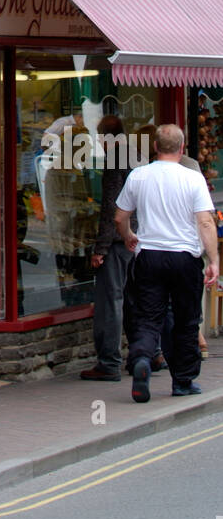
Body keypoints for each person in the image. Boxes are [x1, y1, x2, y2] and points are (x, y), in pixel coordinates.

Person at [115, 124, 219, 403]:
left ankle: (142, 360)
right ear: (182, 148)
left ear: (156, 147)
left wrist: (129, 237)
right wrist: (214, 260)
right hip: (185, 257)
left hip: (149, 255)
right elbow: (206, 221)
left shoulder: (139, 176)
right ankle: (183, 381)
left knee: (148, 317)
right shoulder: (192, 178)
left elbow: (119, 216)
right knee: (186, 320)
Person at [80, 116, 134, 382]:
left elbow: (111, 208)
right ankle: (147, 353)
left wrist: (100, 248)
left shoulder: (116, 159)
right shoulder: (136, 154)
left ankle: (109, 362)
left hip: (117, 242)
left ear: (104, 137)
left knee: (110, 302)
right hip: (137, 241)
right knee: (135, 300)